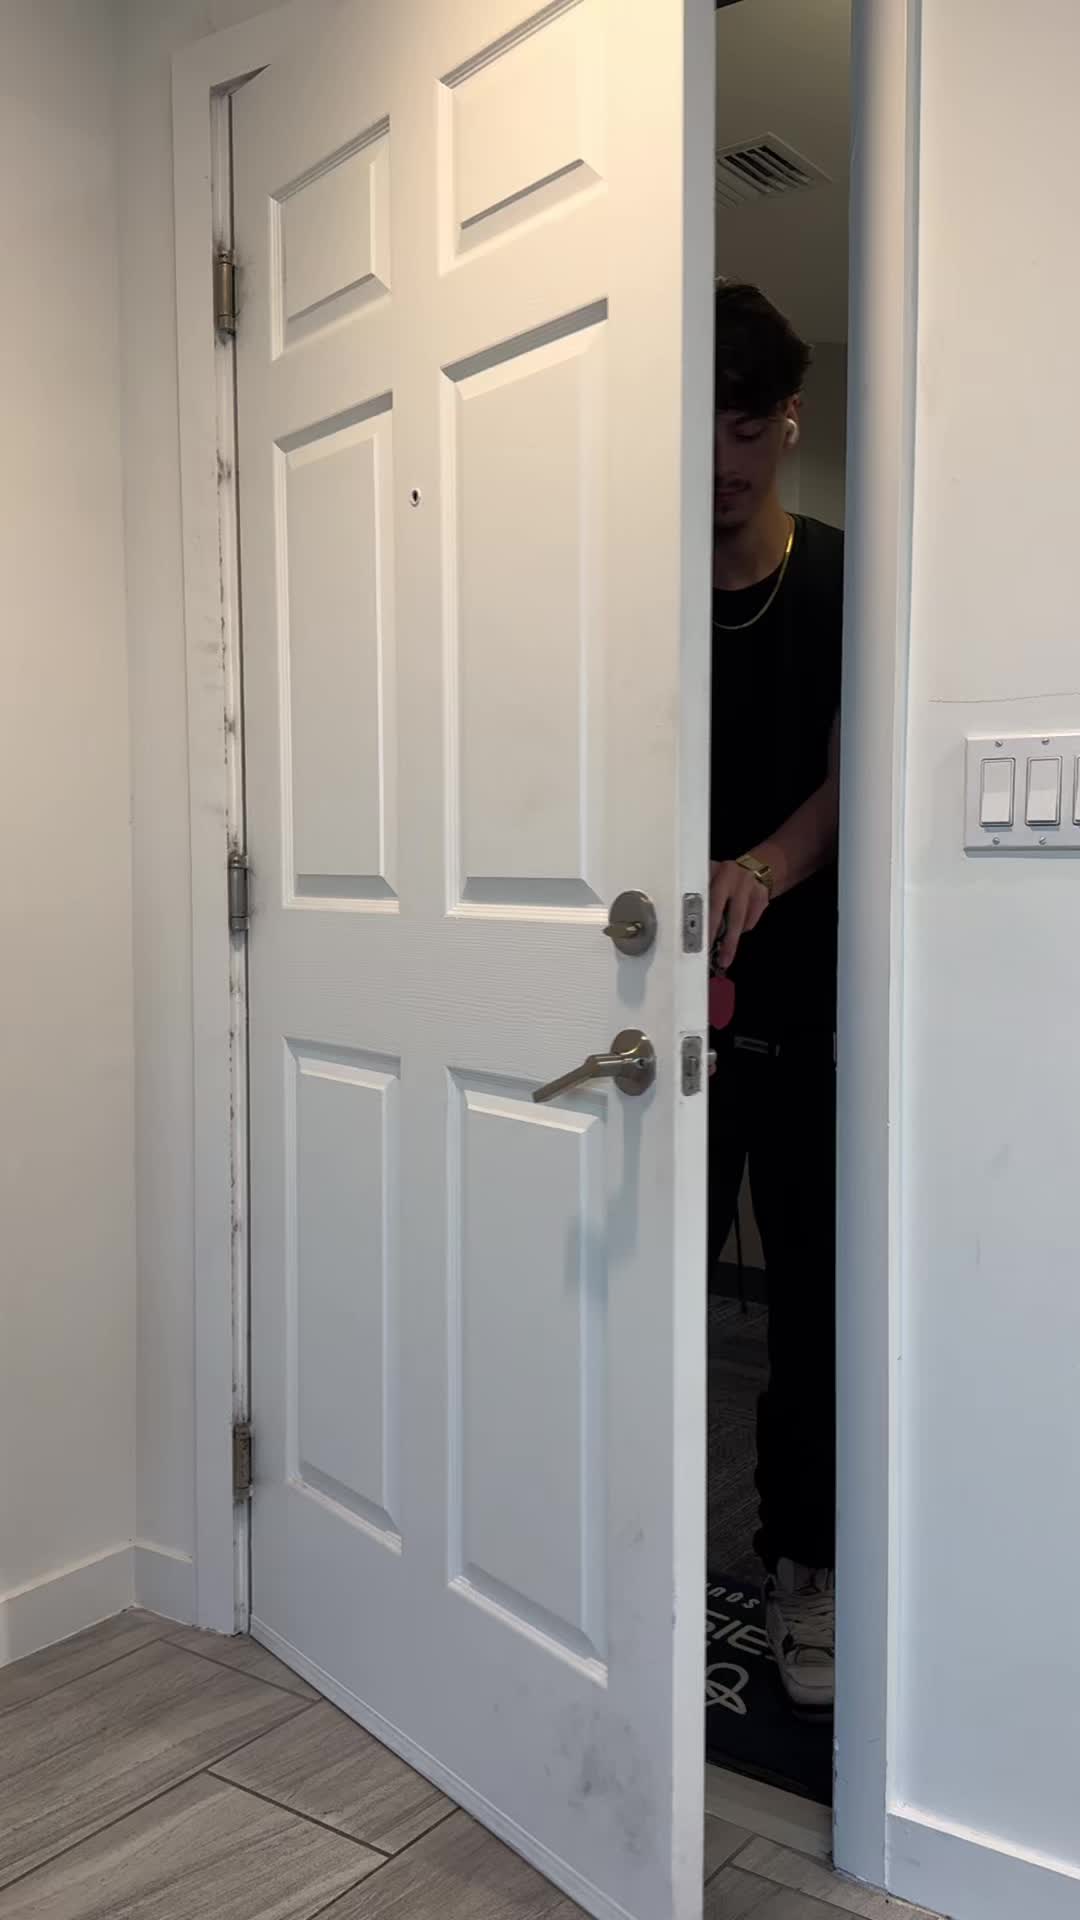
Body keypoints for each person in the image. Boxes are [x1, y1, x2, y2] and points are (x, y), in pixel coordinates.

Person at [708, 282, 842, 1716]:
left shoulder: (841, 580)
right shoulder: (638, 591)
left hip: (809, 1002)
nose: (721, 461)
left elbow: (859, 768)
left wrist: (761, 866)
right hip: (659, 1018)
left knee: (810, 1308)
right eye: (700, 429)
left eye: (746, 429)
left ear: (789, 423)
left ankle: (805, 1570)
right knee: (643, 1299)